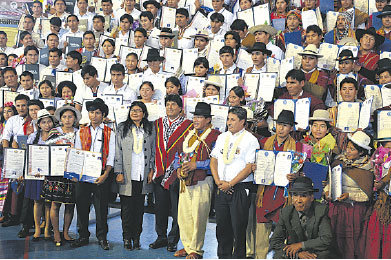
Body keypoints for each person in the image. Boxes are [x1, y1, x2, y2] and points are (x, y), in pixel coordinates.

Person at [172, 102, 220, 259]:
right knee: (184, 215)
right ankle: (186, 246)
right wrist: (178, 168)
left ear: (208, 120)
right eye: (194, 116)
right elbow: (178, 154)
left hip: (202, 180)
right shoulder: (189, 134)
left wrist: (196, 165)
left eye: (199, 117)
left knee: (199, 216)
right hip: (185, 181)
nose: (196, 120)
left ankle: (196, 250)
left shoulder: (215, 136)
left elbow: (215, 161)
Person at [210, 106, 259, 258]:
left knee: (238, 228)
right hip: (221, 186)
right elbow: (214, 160)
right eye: (228, 119)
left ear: (242, 122)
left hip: (239, 188)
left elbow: (249, 167)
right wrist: (219, 182)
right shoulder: (222, 137)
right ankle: (223, 256)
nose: (229, 122)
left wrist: (230, 184)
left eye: (233, 120)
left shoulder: (251, 140)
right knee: (222, 227)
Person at [254, 110, 303, 258]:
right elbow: (256, 163)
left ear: (291, 128)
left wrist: (296, 175)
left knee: (285, 231)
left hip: (284, 195)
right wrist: (255, 167)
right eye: (279, 124)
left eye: (285, 125)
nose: (281, 128)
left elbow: (302, 172)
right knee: (261, 229)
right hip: (265, 192)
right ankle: (259, 256)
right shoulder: (264, 143)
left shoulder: (298, 147)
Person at [149, 94, 193, 252]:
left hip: (177, 172)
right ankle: (161, 237)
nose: (170, 107)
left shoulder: (189, 125)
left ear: (181, 108)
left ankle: (173, 239)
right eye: (168, 104)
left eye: (174, 104)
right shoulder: (157, 124)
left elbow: (190, 149)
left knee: (177, 210)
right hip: (159, 171)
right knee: (159, 207)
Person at [71, 98, 115, 250]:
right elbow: (76, 153)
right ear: (88, 114)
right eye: (91, 112)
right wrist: (77, 175)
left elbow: (111, 157)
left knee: (101, 208)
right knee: (82, 206)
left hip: (101, 174)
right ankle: (83, 236)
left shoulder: (110, 133)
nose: (94, 115)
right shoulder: (81, 131)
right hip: (83, 175)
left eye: (97, 113)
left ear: (103, 115)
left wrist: (106, 175)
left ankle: (102, 237)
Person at [324, 131, 374, 258]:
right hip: (335, 209)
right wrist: (326, 192)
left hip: (353, 211)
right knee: (333, 240)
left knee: (351, 243)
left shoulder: (367, 169)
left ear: (361, 152)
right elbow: (330, 181)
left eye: (352, 149)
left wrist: (349, 195)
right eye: (348, 147)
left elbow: (366, 195)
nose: (348, 151)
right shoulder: (338, 162)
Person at [115, 101, 155, 250]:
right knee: (126, 209)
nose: (135, 113)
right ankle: (126, 238)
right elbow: (118, 151)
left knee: (139, 209)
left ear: (144, 113)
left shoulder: (150, 128)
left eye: (138, 110)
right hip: (126, 174)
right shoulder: (122, 128)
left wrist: (151, 169)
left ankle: (136, 238)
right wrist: (118, 171)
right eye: (132, 110)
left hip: (142, 174)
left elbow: (153, 151)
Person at [269, 176, 335, 259]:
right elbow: (275, 241)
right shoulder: (286, 212)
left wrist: (300, 245)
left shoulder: (320, 210)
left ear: (311, 197)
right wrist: (298, 253)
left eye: (303, 196)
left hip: (315, 252)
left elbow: (326, 239)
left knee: (324, 255)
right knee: (278, 256)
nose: (298, 200)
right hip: (295, 252)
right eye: (295, 195)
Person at [44, 105, 81, 246]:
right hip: (55, 173)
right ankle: (56, 233)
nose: (67, 119)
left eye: (70, 117)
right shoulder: (54, 132)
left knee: (70, 205)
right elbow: (47, 149)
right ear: (60, 118)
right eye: (64, 117)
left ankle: (66, 232)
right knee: (55, 204)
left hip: (71, 173)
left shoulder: (79, 132)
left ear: (75, 119)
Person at [27, 109, 56, 241]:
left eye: (49, 121)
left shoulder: (57, 136)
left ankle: (47, 228)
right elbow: (28, 154)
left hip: (50, 174)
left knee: (48, 202)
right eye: (43, 122)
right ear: (39, 124)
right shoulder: (33, 137)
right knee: (37, 202)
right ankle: (38, 228)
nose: (47, 125)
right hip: (37, 174)